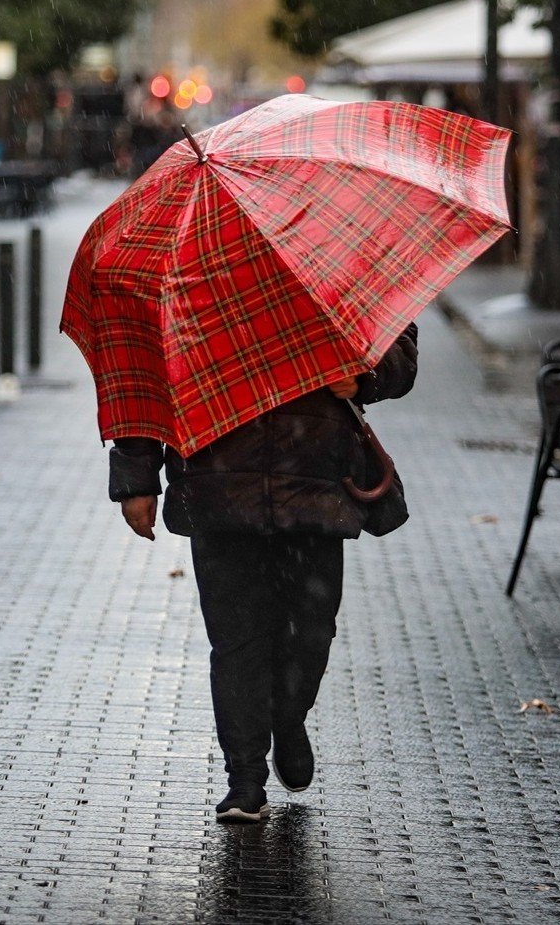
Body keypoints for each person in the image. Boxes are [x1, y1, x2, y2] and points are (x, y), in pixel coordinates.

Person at [108, 325, 419, 823]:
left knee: (311, 632)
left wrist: (366, 378)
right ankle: (245, 778)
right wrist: (135, 476)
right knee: (237, 640)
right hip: (218, 481)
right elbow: (143, 375)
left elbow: (399, 347)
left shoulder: (330, 258)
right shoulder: (190, 274)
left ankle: (289, 717)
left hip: (315, 483)